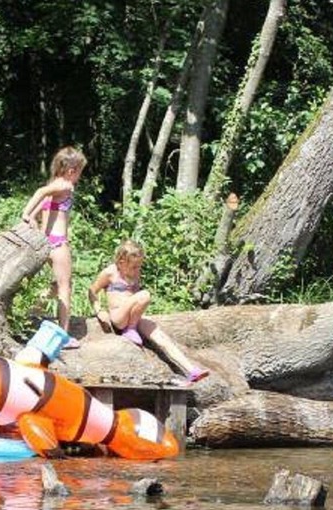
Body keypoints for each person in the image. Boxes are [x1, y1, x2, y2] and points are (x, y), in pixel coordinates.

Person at [88, 240, 210, 384]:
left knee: (160, 336)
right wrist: (99, 310)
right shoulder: (110, 272)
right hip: (119, 317)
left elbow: (134, 296)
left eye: (139, 266)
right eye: (134, 266)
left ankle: (191, 370)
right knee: (145, 295)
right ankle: (130, 329)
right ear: (121, 262)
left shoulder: (136, 273)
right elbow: (92, 291)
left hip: (134, 316)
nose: (137, 269)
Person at [21, 146, 87, 348]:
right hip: (58, 243)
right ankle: (62, 336)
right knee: (66, 287)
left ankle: (30, 314)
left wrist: (33, 216)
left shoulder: (54, 185)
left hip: (45, 242)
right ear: (71, 170)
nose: (79, 176)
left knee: (56, 286)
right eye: (80, 171)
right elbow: (40, 192)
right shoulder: (65, 186)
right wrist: (26, 213)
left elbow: (44, 201)